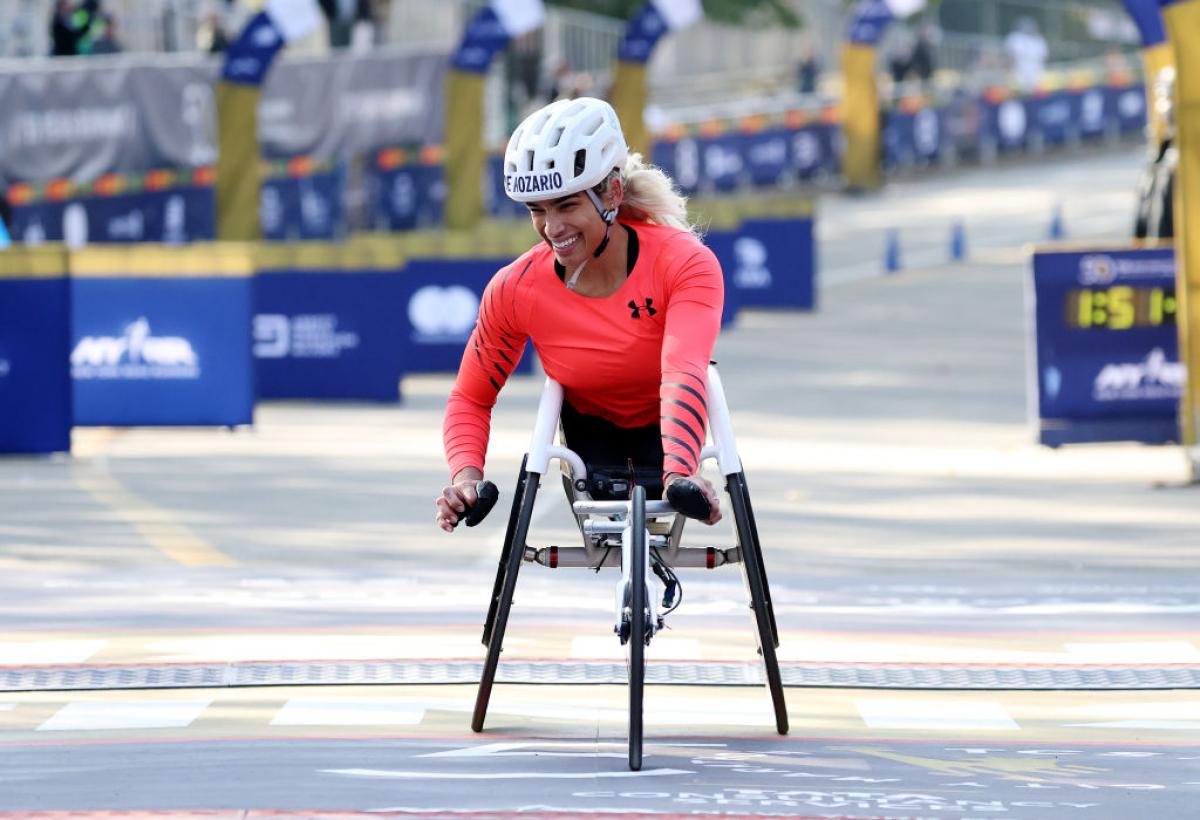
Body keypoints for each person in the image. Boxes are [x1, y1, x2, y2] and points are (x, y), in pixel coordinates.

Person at [435, 97, 725, 532]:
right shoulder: (515, 288)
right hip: (587, 434)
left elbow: (683, 371)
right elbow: (471, 397)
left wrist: (680, 472)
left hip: (668, 427)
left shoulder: (685, 262)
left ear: (612, 192)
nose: (552, 228)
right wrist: (466, 478)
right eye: (538, 210)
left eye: (567, 206)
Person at [1004, 16, 1047, 93]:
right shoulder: (1015, 38)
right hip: (1018, 70)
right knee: (1019, 90)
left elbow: (1043, 57)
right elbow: (1010, 57)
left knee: (1035, 90)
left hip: (1036, 70)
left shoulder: (1039, 40)